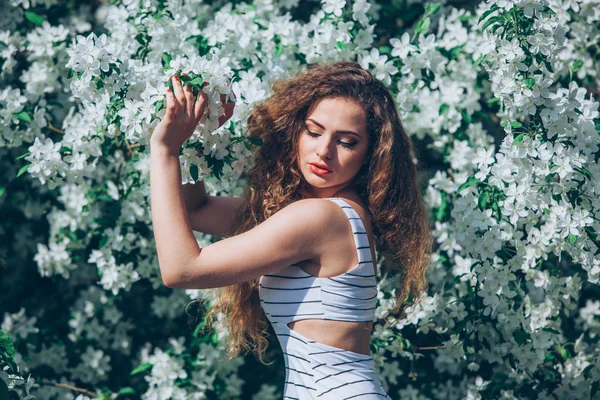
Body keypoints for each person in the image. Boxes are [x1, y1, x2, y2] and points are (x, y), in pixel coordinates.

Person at [150, 61, 433, 399]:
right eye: (314, 131)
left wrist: (164, 150)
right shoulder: (318, 213)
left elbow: (181, 269)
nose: (324, 150)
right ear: (297, 131)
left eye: (346, 142)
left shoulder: (321, 218)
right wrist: (195, 137)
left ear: (370, 155)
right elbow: (197, 210)